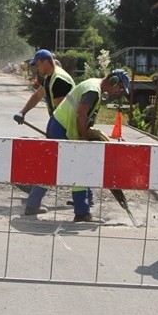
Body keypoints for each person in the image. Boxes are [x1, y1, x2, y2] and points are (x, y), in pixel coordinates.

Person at [52, 69, 130, 223]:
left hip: (59, 125)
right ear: (113, 80)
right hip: (62, 127)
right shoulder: (93, 90)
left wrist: (87, 130)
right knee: (79, 170)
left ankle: (34, 204)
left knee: (58, 166)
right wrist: (84, 136)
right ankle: (82, 213)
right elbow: (81, 113)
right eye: (120, 88)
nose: (119, 92)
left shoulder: (94, 86)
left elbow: (84, 114)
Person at [13, 49, 75, 216]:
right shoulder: (49, 78)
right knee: (63, 162)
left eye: (37, 64)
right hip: (60, 125)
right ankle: (34, 202)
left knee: (55, 163)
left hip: (65, 126)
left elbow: (64, 112)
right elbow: (38, 95)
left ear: (46, 61)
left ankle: (34, 200)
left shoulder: (60, 80)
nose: (36, 68)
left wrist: (57, 131)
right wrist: (23, 112)